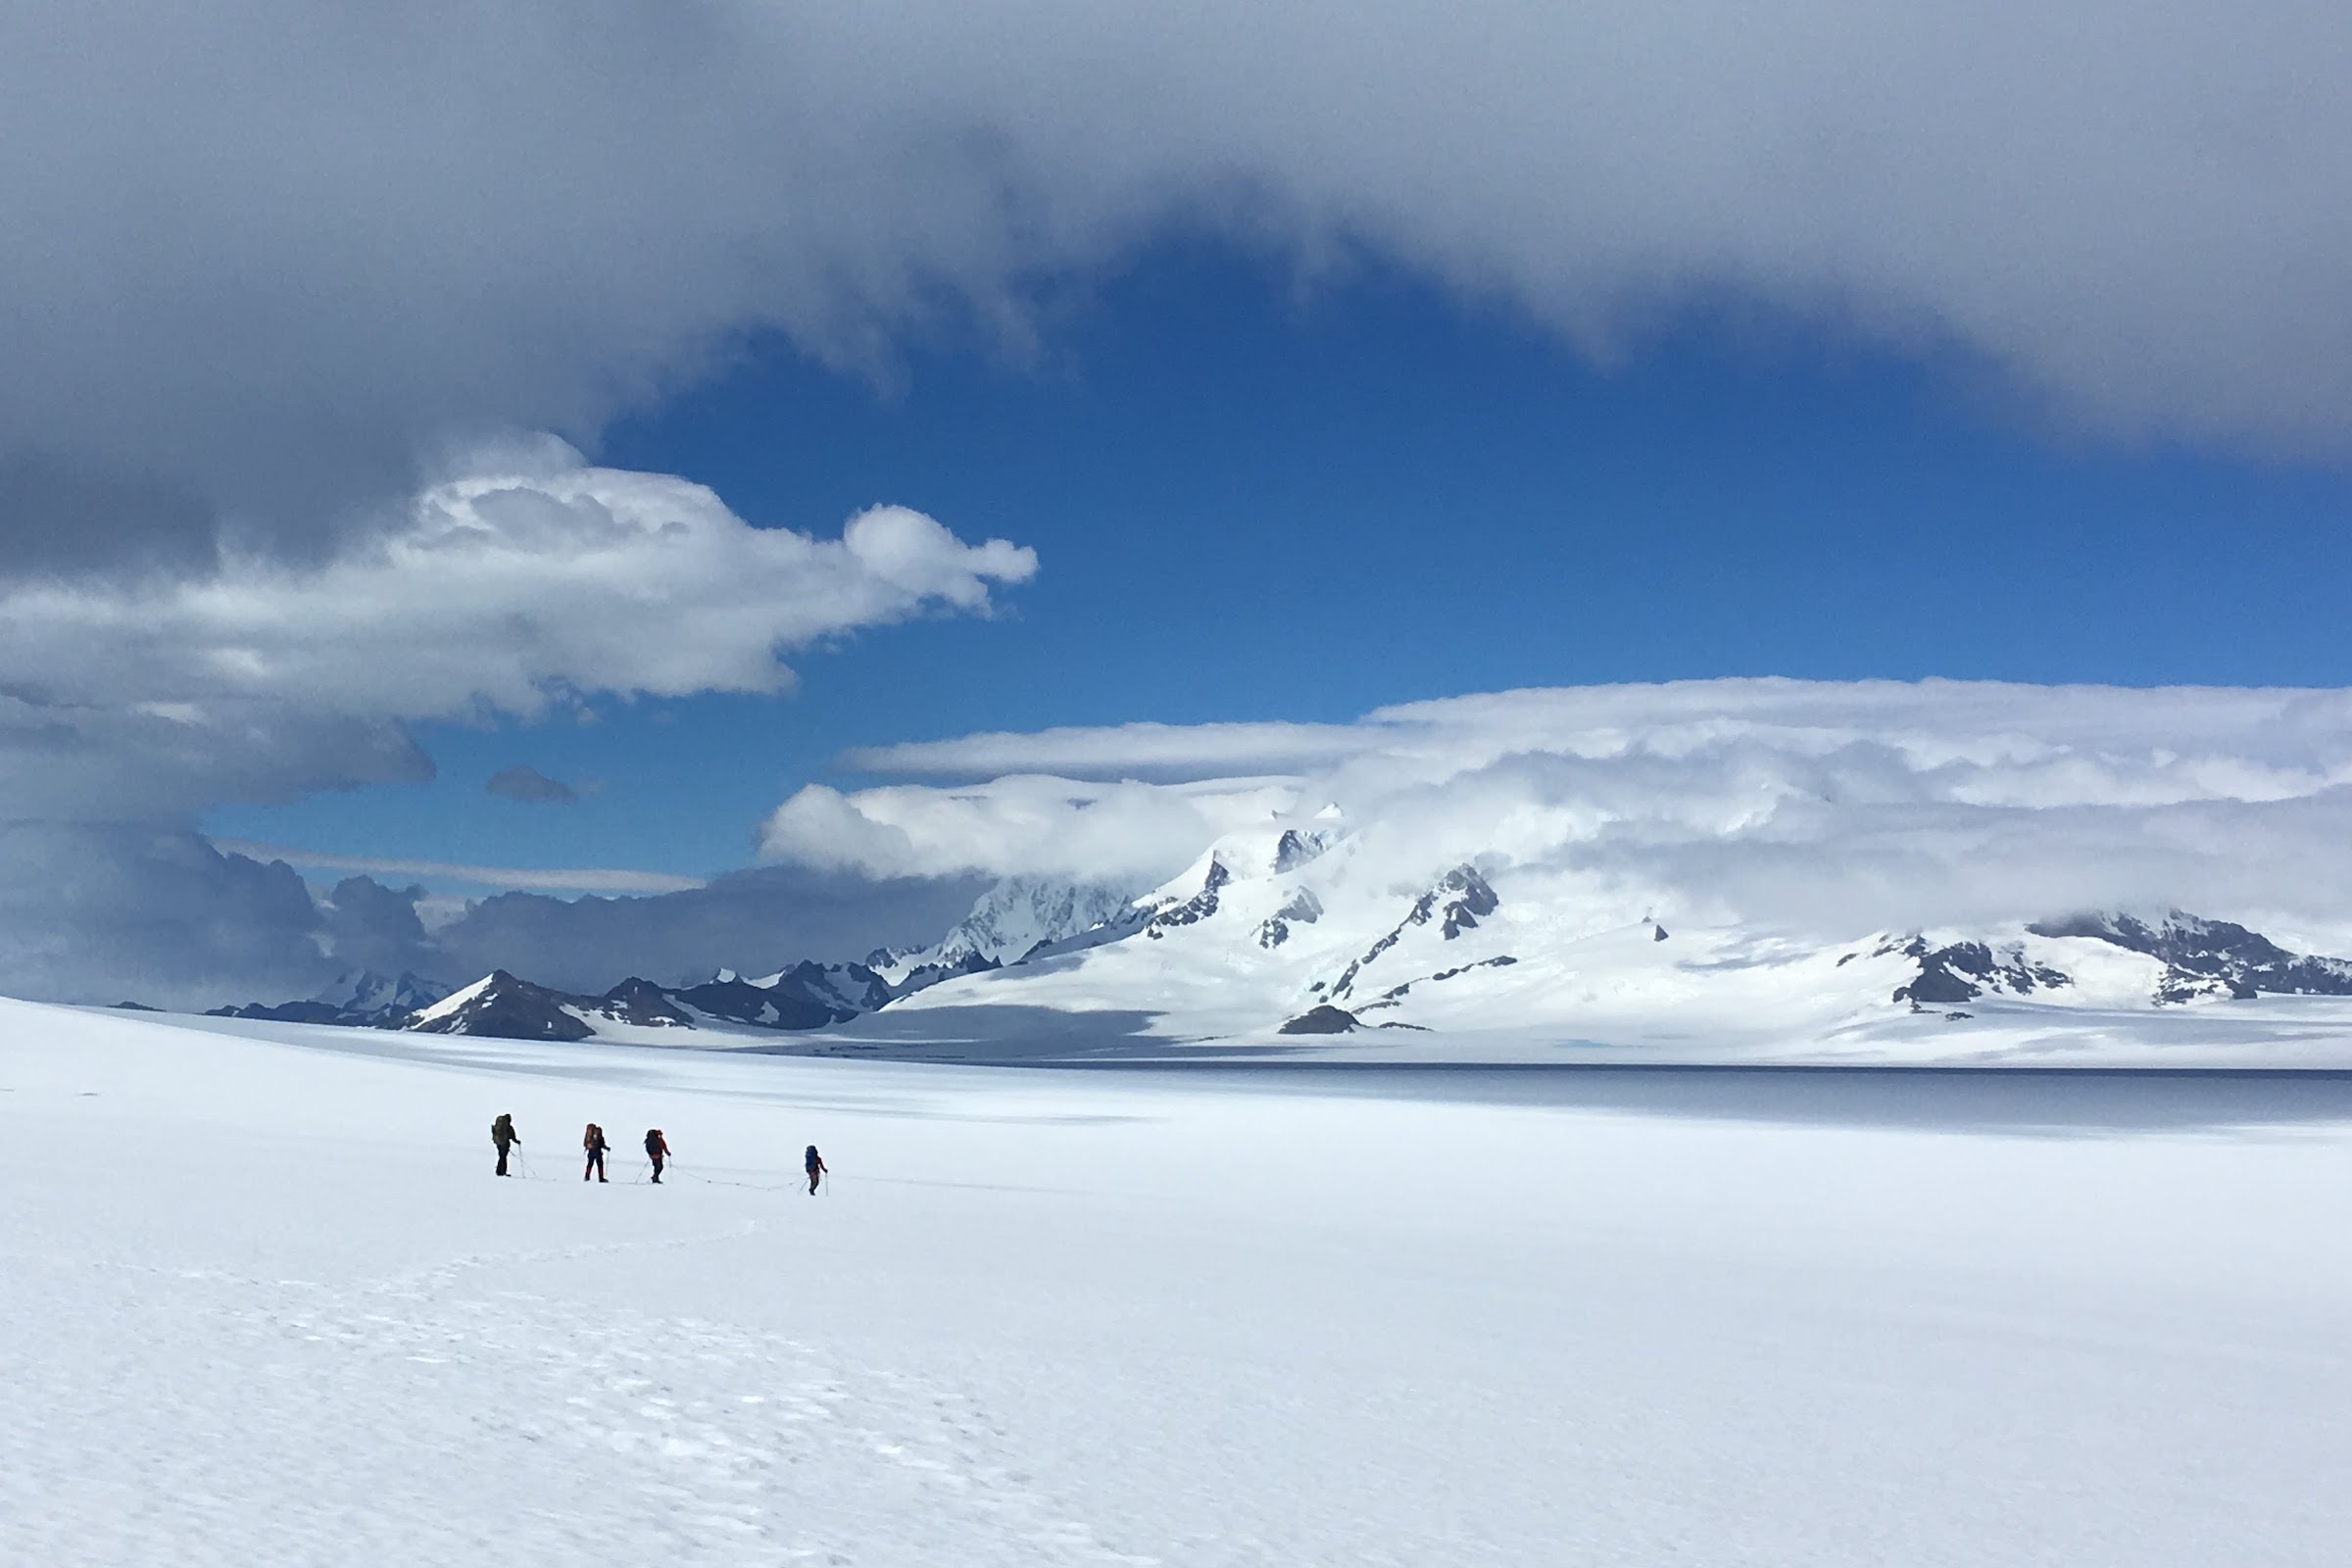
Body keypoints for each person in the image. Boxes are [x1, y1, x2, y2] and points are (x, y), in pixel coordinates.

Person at [491, 1112, 520, 1177]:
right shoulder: (509, 1127)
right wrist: (517, 1142)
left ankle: (499, 1171)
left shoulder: (499, 1125)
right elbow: (513, 1137)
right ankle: (502, 1171)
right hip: (505, 1144)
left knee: (501, 1157)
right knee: (503, 1158)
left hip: (498, 1143)